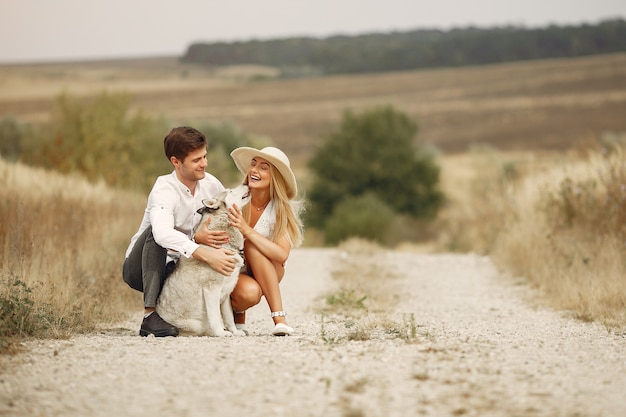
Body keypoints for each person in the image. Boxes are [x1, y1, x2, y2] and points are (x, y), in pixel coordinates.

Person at [122, 126, 239, 337]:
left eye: (204, 156)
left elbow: (227, 213)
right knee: (155, 232)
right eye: (196, 160)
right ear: (176, 162)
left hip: (182, 271)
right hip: (143, 268)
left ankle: (219, 318)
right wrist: (200, 246)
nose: (204, 164)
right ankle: (150, 316)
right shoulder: (164, 189)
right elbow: (162, 234)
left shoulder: (211, 184)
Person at [194, 146, 304, 336]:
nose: (254, 170)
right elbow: (209, 232)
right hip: (233, 271)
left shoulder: (279, 209)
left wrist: (246, 230)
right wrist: (197, 237)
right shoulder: (236, 200)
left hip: (268, 268)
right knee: (250, 293)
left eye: (263, 167)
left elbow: (281, 255)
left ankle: (280, 320)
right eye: (253, 164)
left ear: (275, 177)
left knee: (253, 244)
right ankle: (238, 319)